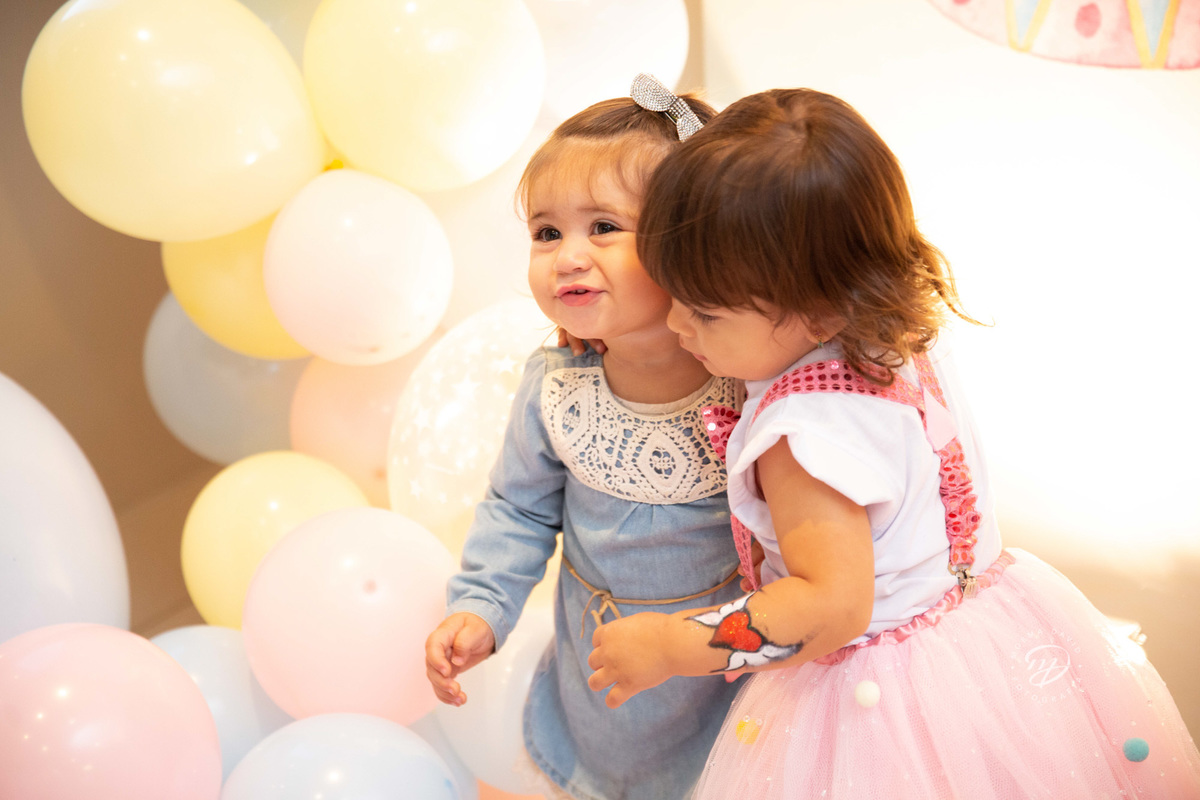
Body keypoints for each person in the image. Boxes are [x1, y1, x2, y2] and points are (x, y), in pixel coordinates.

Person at [586, 87, 1200, 798]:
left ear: (819, 307)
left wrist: (674, 646)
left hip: (877, 699)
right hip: (991, 635)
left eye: (705, 313)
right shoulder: (895, 330)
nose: (677, 326)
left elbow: (829, 607)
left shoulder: (802, 438)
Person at [425, 76, 749, 800]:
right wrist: (481, 605)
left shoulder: (746, 379)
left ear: (691, 241)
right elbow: (518, 509)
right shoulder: (558, 388)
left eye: (603, 227)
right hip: (600, 678)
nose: (568, 256)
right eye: (547, 233)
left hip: (719, 676)